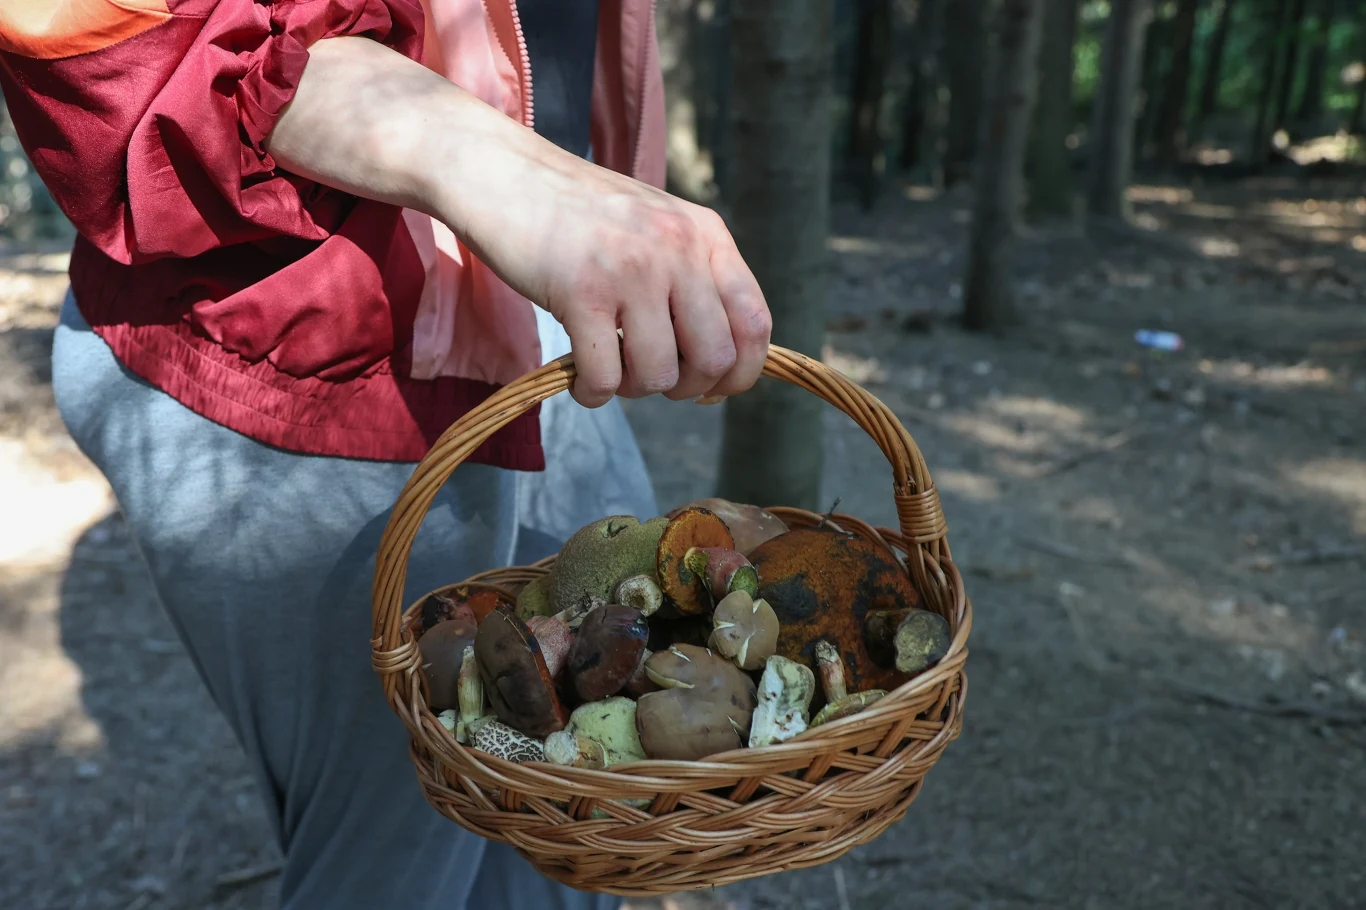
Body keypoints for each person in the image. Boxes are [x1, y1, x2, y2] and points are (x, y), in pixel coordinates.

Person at [0, 2, 771, 908]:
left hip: (542, 307)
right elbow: (108, 37)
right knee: (396, 871)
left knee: (575, 835)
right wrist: (516, 178)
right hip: (306, 359)